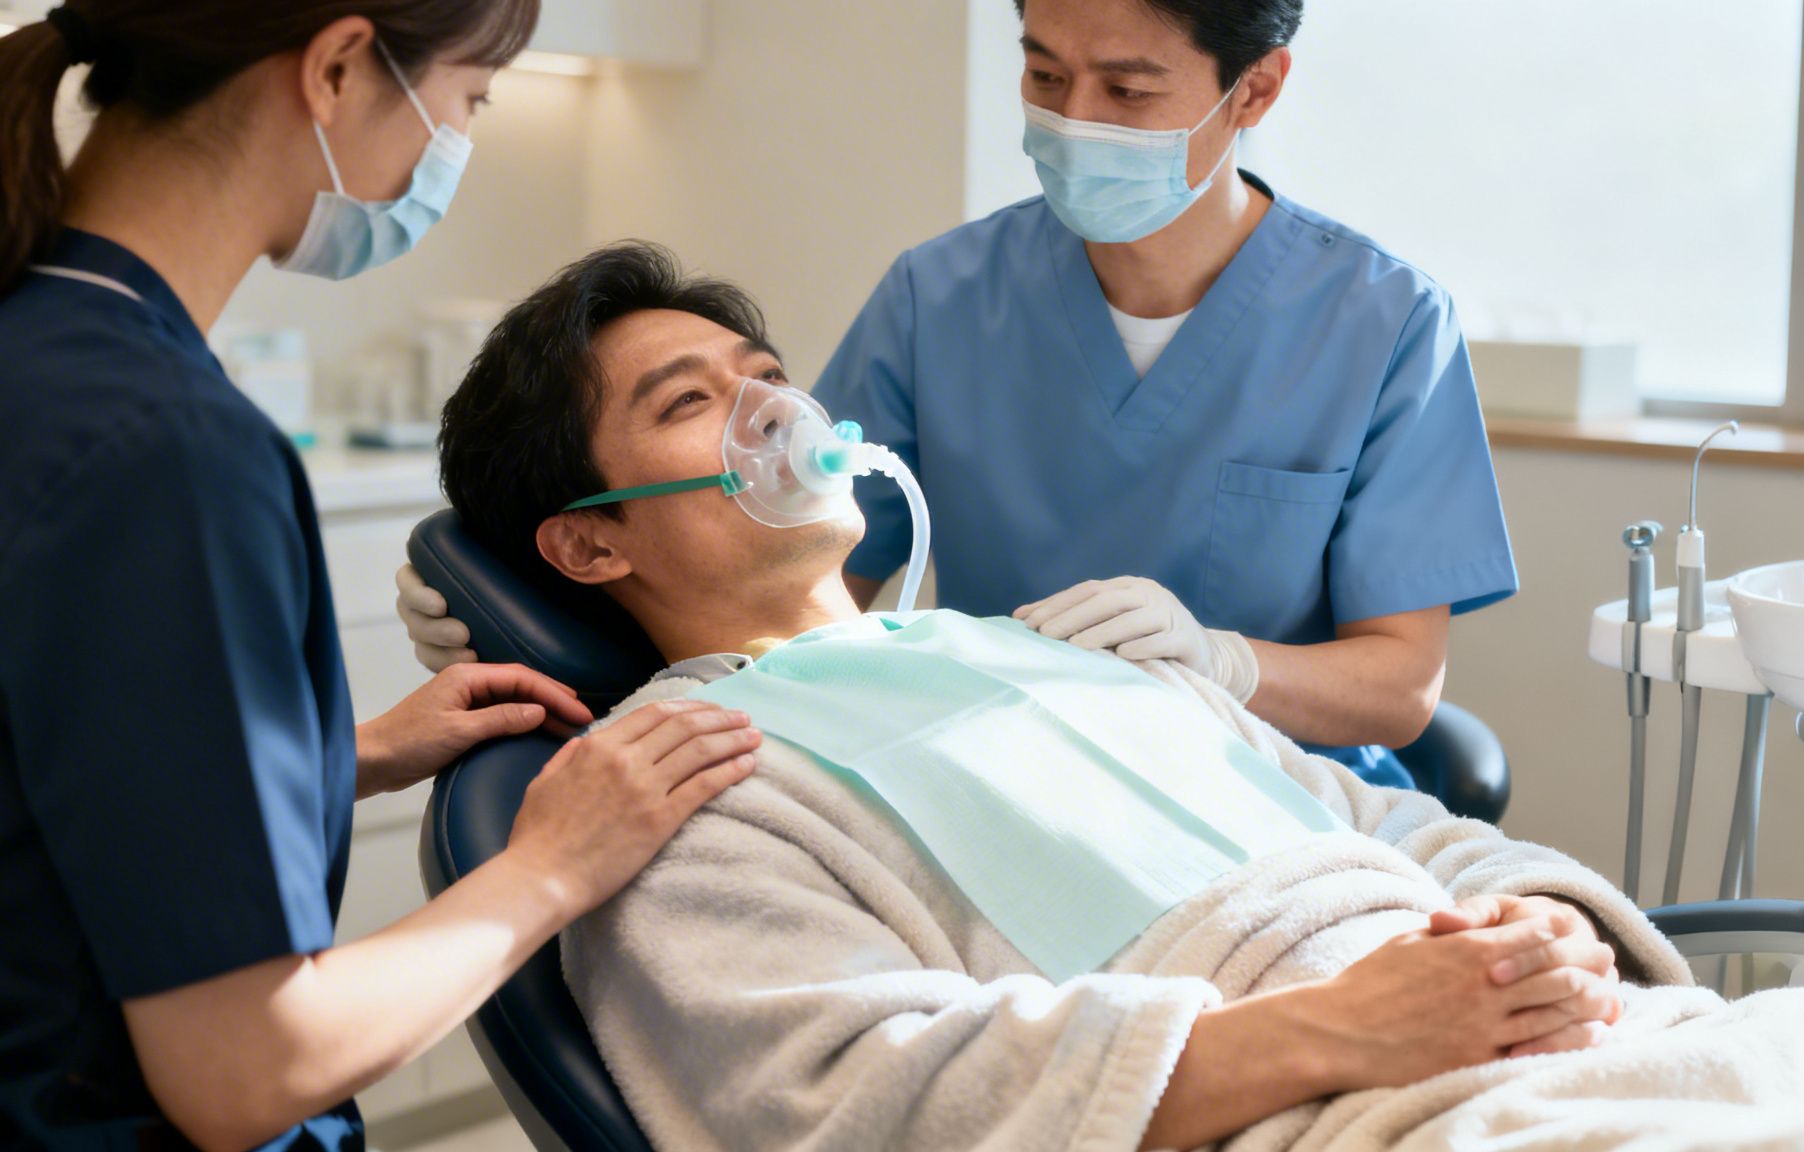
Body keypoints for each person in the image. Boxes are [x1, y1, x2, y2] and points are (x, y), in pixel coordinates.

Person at [421, 243, 1804, 1151]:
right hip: (1342, 1108)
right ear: (588, 536)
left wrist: (1550, 931)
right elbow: (871, 1105)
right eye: (693, 403)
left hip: (1541, 1042)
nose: (775, 413)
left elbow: (1386, 826)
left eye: (768, 375)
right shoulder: (683, 783)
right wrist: (1342, 1033)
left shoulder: (1061, 653)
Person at [0, 7, 756, 1150]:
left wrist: (345, 756)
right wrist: (550, 868)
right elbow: (245, 1071)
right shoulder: (162, 451)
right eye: (469, 99)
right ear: (339, 68)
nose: (455, 142)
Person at [395, 0, 1516, 792]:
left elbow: (1397, 689)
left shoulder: (1380, 322)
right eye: (1042, 73)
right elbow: (759, 566)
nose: (1073, 117)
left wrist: (1218, 662)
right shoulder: (942, 297)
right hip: (995, 764)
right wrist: (523, 619)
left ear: (1253, 88)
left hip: (1265, 791)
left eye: (1127, 88)